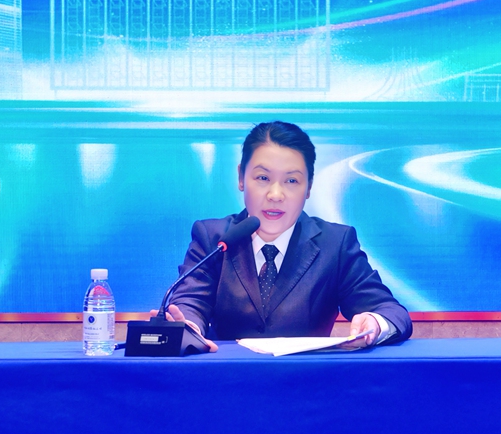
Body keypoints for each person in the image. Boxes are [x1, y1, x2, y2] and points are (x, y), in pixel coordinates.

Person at [162, 121, 412, 352]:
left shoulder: (335, 244)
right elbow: (189, 302)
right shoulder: (214, 238)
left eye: (291, 180)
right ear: (241, 178)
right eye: (263, 178)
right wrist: (187, 327)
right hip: (227, 379)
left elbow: (391, 311)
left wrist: (375, 322)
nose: (275, 194)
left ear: (309, 186)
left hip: (307, 380)